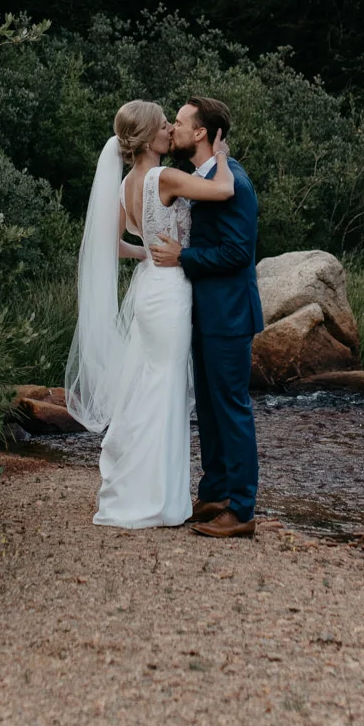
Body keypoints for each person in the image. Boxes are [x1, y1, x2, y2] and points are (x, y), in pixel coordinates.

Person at [64, 99, 236, 529]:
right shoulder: (163, 176)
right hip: (170, 292)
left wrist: (144, 253)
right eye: (163, 126)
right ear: (147, 137)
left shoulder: (125, 185)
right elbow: (223, 190)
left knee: (146, 387)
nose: (169, 132)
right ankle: (159, 501)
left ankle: (139, 490)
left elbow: (108, 241)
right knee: (166, 390)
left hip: (147, 290)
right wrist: (221, 157)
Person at [149, 96, 261, 539]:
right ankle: (215, 492)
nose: (172, 128)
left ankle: (243, 509)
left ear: (200, 133)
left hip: (230, 314)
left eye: (178, 122)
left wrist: (184, 256)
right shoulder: (205, 177)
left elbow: (238, 253)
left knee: (232, 409)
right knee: (211, 411)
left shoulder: (236, 183)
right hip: (204, 312)